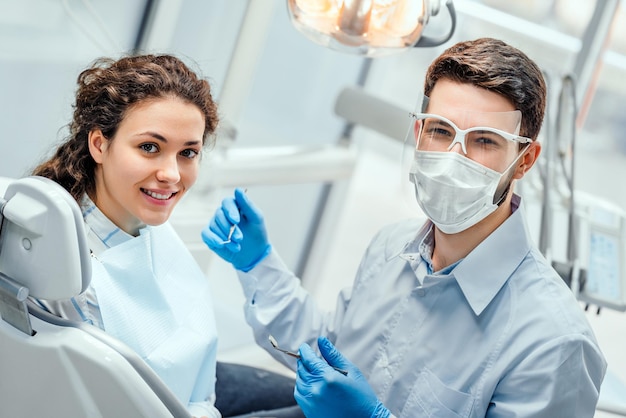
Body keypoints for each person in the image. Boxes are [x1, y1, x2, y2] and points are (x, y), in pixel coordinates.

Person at [202, 37, 607, 417]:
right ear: (419, 133)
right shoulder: (391, 246)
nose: (453, 158)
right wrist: (258, 264)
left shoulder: (555, 344)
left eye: (484, 140)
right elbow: (327, 354)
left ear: (524, 160)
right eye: (440, 131)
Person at [30, 53, 298, 418]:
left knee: (301, 398)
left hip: (183, 381)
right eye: (150, 147)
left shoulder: (135, 218)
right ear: (99, 145)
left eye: (188, 152)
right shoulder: (74, 278)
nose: (171, 174)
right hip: (152, 401)